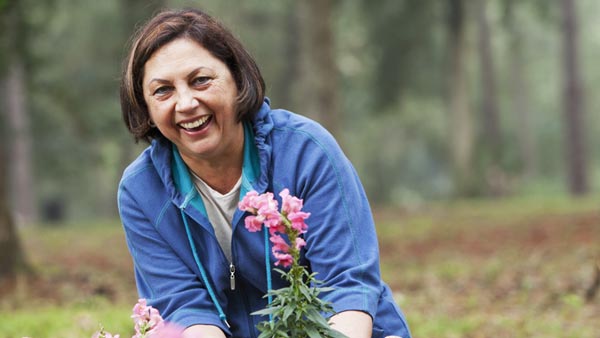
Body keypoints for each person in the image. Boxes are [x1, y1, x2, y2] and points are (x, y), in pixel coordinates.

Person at [118, 8, 411, 338]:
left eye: (201, 80)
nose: (185, 103)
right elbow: (185, 310)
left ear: (236, 78)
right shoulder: (140, 190)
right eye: (163, 90)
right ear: (144, 107)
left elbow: (346, 287)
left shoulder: (306, 151)